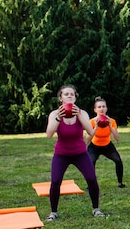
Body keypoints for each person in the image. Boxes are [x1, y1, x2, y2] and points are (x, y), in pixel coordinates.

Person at [44, 85, 105, 221]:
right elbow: (49, 134)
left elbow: (90, 131)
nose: (70, 96)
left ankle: (96, 209)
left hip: (80, 154)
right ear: (60, 98)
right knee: (55, 181)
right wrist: (59, 118)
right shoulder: (54, 114)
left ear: (75, 97)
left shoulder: (82, 113)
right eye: (66, 94)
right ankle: (53, 212)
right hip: (61, 154)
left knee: (91, 179)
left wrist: (78, 115)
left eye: (72, 94)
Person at [86, 97, 125, 188]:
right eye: (99, 107)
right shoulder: (91, 122)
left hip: (107, 146)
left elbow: (117, 138)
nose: (102, 108)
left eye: (103, 106)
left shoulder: (112, 121)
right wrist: (96, 127)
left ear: (106, 109)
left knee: (118, 161)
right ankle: (91, 185)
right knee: (91, 162)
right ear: (95, 110)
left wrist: (110, 126)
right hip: (94, 146)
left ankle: (120, 183)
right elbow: (87, 139)